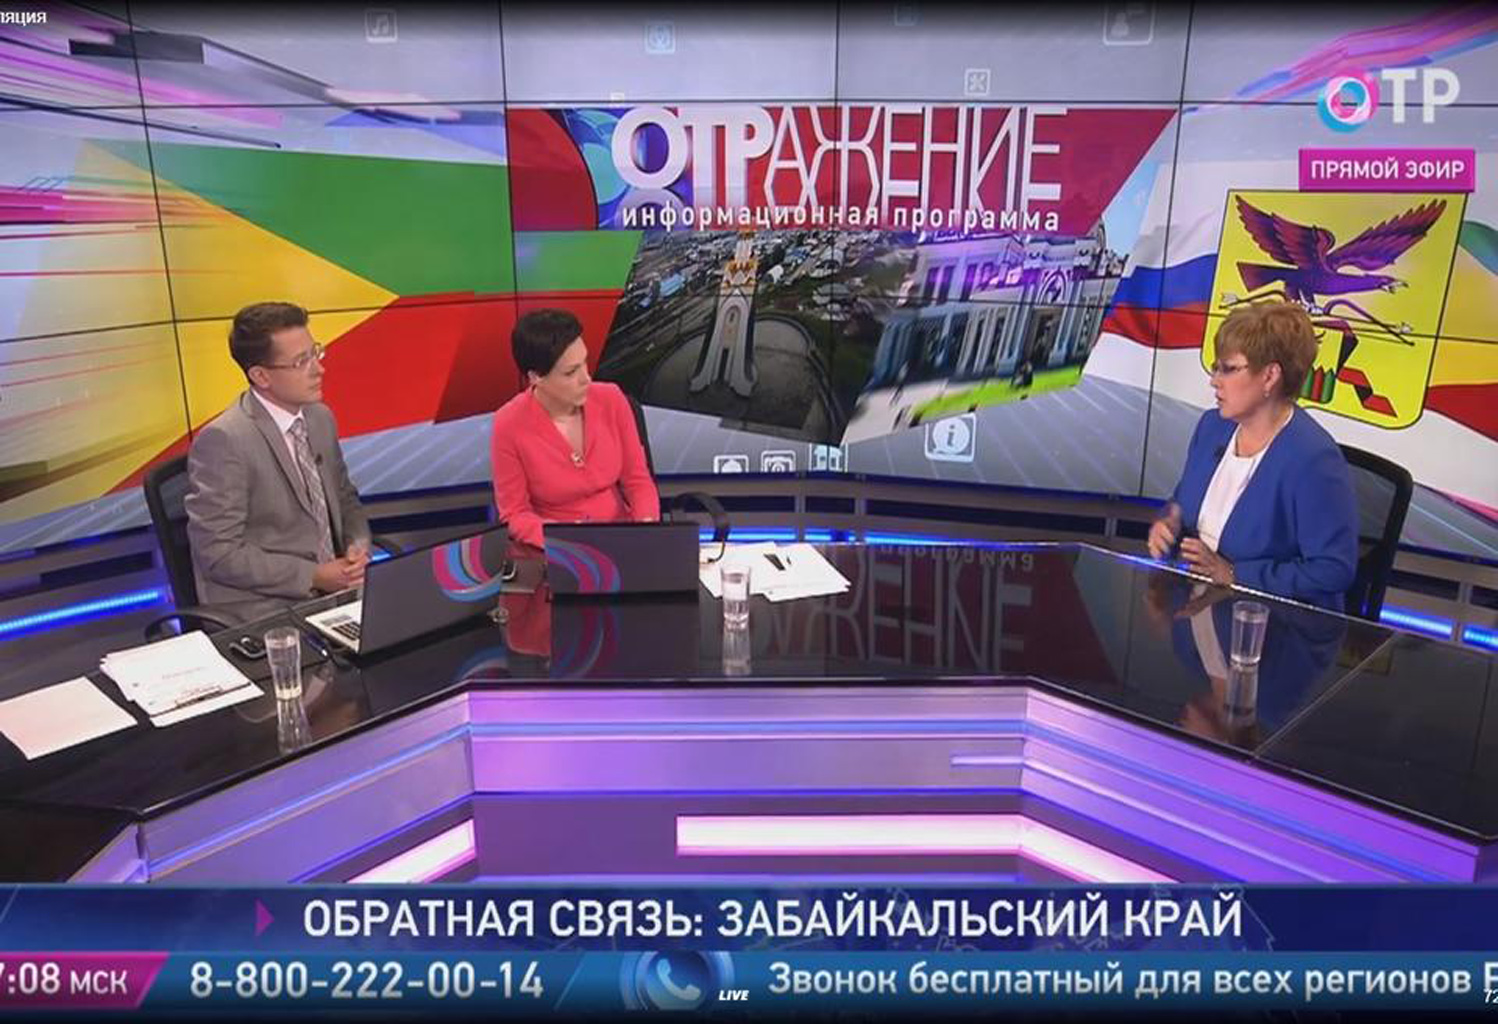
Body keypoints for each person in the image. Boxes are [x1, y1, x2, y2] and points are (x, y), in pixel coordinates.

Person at [1147, 301, 1358, 612]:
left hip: (1272, 626)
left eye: (1228, 369)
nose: (1214, 380)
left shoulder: (1313, 460)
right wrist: (1169, 522)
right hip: (1196, 612)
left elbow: (1334, 569)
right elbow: (1181, 500)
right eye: (1216, 367)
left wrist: (1234, 575)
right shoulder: (1212, 427)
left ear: (1270, 376)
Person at [184, 302, 370, 625]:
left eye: (315, 353)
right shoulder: (225, 440)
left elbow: (344, 498)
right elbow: (218, 552)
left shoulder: (320, 418)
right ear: (260, 376)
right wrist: (314, 576)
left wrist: (357, 548)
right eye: (301, 361)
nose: (319, 369)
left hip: (338, 597)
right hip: (268, 612)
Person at [490, 308, 660, 549]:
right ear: (536, 377)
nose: (586, 378)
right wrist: (566, 540)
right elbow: (515, 514)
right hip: (562, 552)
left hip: (625, 541)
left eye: (584, 363)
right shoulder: (508, 425)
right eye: (571, 372)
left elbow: (637, 481)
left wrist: (646, 529)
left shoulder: (611, 399)